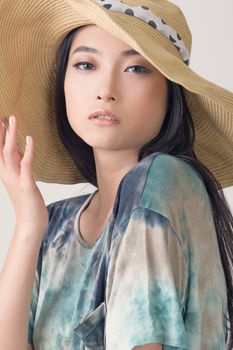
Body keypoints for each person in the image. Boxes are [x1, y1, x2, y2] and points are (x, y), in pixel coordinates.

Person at [0, 0, 233, 349]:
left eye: (136, 68)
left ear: (171, 92)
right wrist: (29, 225)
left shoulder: (162, 180)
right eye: (85, 64)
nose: (105, 89)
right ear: (61, 82)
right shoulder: (57, 225)